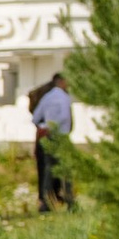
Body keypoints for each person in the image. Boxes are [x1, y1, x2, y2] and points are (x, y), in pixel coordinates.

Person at [31, 67, 76, 209]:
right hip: (61, 137)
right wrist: (54, 126)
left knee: (49, 170)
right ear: (61, 81)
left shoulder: (47, 97)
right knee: (66, 170)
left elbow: (35, 118)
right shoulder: (64, 97)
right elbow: (65, 116)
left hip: (48, 137)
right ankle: (69, 201)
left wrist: (46, 126)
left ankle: (46, 202)